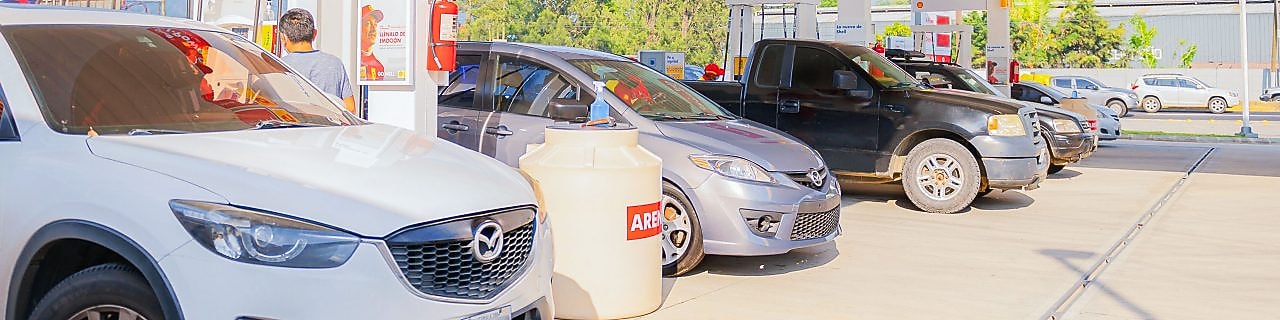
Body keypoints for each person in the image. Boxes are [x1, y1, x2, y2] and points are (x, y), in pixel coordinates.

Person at [278, 8, 357, 113]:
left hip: (292, 128)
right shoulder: (335, 64)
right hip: (331, 128)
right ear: (314, 34)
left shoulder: (278, 66)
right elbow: (350, 108)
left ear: (283, 37)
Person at [359, 5, 385, 81]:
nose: (373, 30)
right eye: (368, 24)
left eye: (375, 25)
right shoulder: (350, 60)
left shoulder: (379, 66)